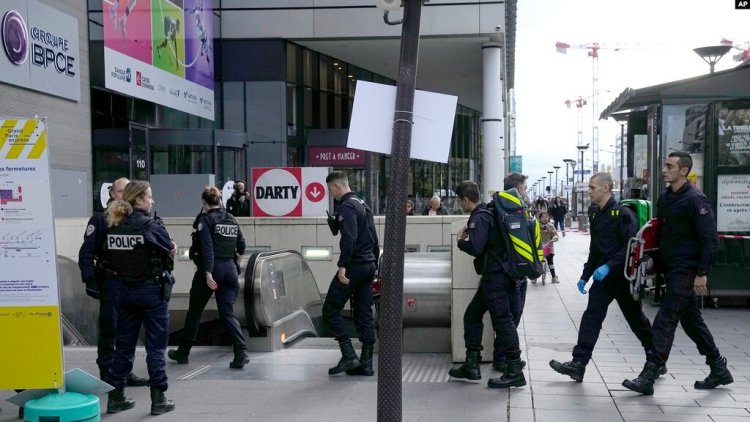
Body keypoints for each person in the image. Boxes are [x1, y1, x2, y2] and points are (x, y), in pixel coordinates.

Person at [623, 152, 732, 395]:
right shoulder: (665, 198)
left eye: (670, 166)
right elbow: (660, 232)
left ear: (683, 171)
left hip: (687, 269)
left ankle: (650, 373)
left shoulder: (696, 200)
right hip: (670, 269)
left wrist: (702, 272)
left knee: (666, 318)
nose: (664, 170)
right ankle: (718, 368)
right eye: (665, 165)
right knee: (691, 321)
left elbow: (710, 239)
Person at [549, 172, 656, 383]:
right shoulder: (596, 213)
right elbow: (595, 248)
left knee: (636, 321)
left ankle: (656, 359)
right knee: (592, 317)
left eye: (592, 187)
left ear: (606, 188)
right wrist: (585, 274)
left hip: (622, 278)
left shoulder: (623, 214)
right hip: (603, 280)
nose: (589, 191)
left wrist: (608, 266)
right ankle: (578, 364)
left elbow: (630, 246)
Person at [101, 181, 176, 415]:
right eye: (150, 197)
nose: (152, 201)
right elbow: (169, 249)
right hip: (151, 292)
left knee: (123, 347)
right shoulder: (150, 226)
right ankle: (158, 399)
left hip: (124, 291)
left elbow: (106, 258)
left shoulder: (114, 225)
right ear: (139, 199)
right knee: (155, 347)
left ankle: (116, 397)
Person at [448, 175, 528, 389]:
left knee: (503, 321)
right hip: (499, 276)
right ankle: (472, 365)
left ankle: (514, 369)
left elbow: (476, 248)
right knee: (472, 315)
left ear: (465, 199)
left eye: (459, 200)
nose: (459, 204)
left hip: (496, 278)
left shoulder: (479, 217)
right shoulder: (490, 212)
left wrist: (460, 241)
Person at [168, 186, 249, 369]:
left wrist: (208, 273)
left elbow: (207, 249)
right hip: (230, 270)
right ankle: (241, 351)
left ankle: (183, 352)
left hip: (211, 270)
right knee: (227, 313)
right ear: (219, 200)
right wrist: (234, 262)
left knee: (195, 312)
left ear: (204, 203)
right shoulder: (231, 219)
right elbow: (242, 246)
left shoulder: (205, 220)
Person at [78, 177, 147, 387]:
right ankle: (107, 371)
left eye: (127, 192)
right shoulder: (101, 220)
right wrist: (90, 281)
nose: (123, 196)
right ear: (111, 194)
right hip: (111, 283)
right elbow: (86, 254)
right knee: (110, 329)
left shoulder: (135, 220)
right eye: (120, 192)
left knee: (128, 330)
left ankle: (124, 370)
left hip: (132, 283)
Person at [323, 172, 379, 376]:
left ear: (337, 187)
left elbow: (349, 237)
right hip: (368, 266)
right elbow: (373, 237)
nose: (332, 194)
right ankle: (366, 363)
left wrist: (342, 265)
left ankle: (348, 356)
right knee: (364, 313)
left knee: (330, 309)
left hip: (354, 266)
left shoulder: (346, 206)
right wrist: (374, 265)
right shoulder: (363, 204)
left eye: (330, 190)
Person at [534, 211, 559, 284]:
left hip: (549, 247)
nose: (545, 218)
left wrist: (554, 238)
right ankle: (534, 276)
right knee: (536, 262)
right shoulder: (536, 226)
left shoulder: (551, 226)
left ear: (548, 218)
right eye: (543, 217)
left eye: (546, 217)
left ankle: (553, 277)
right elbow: (533, 234)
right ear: (539, 218)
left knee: (550, 263)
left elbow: (555, 234)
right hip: (539, 247)